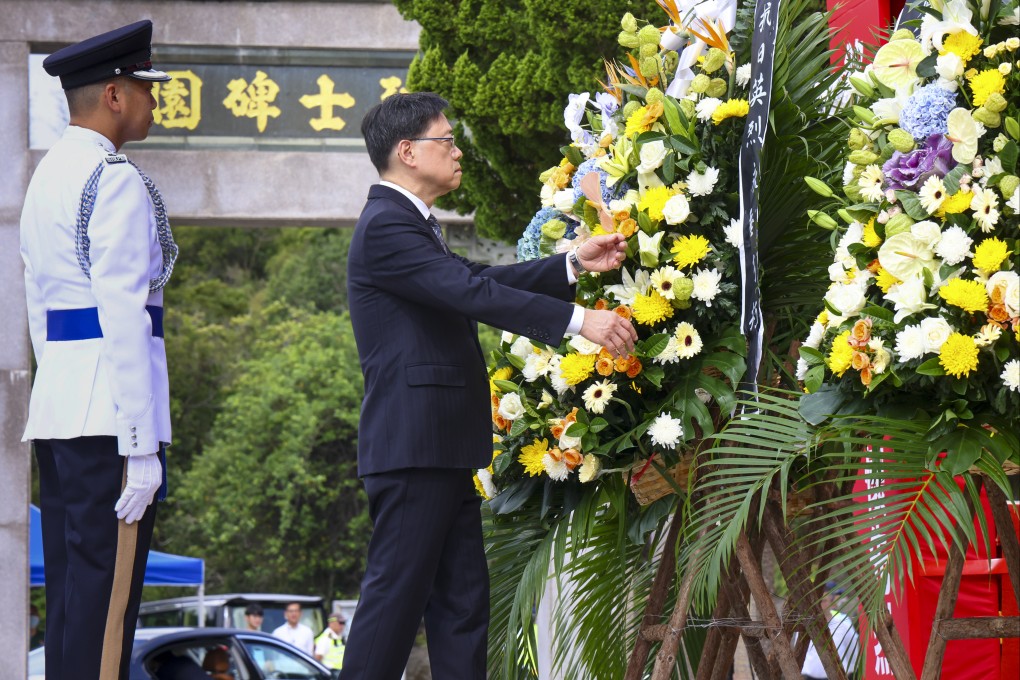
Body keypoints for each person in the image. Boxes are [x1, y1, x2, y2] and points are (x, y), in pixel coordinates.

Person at [341, 92, 636, 680]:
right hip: (413, 449)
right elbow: (470, 293)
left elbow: (472, 278)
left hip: (442, 446)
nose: (457, 152)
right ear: (407, 152)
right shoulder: (385, 226)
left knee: (462, 608)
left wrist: (571, 264)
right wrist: (583, 322)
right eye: (444, 141)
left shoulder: (410, 225)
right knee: (394, 606)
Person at [20, 19, 177, 680]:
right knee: (108, 612)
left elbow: (39, 310)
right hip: (112, 423)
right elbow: (123, 314)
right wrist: (140, 443)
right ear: (114, 94)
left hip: (63, 411)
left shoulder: (49, 175)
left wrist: (63, 387)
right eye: (145, 88)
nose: (153, 100)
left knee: (73, 607)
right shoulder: (113, 179)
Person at [801, 583, 861, 680]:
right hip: (810, 676)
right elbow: (801, 648)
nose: (820, 605)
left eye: (824, 601)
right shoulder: (805, 623)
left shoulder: (843, 622)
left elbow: (852, 649)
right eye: (818, 601)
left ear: (832, 602)